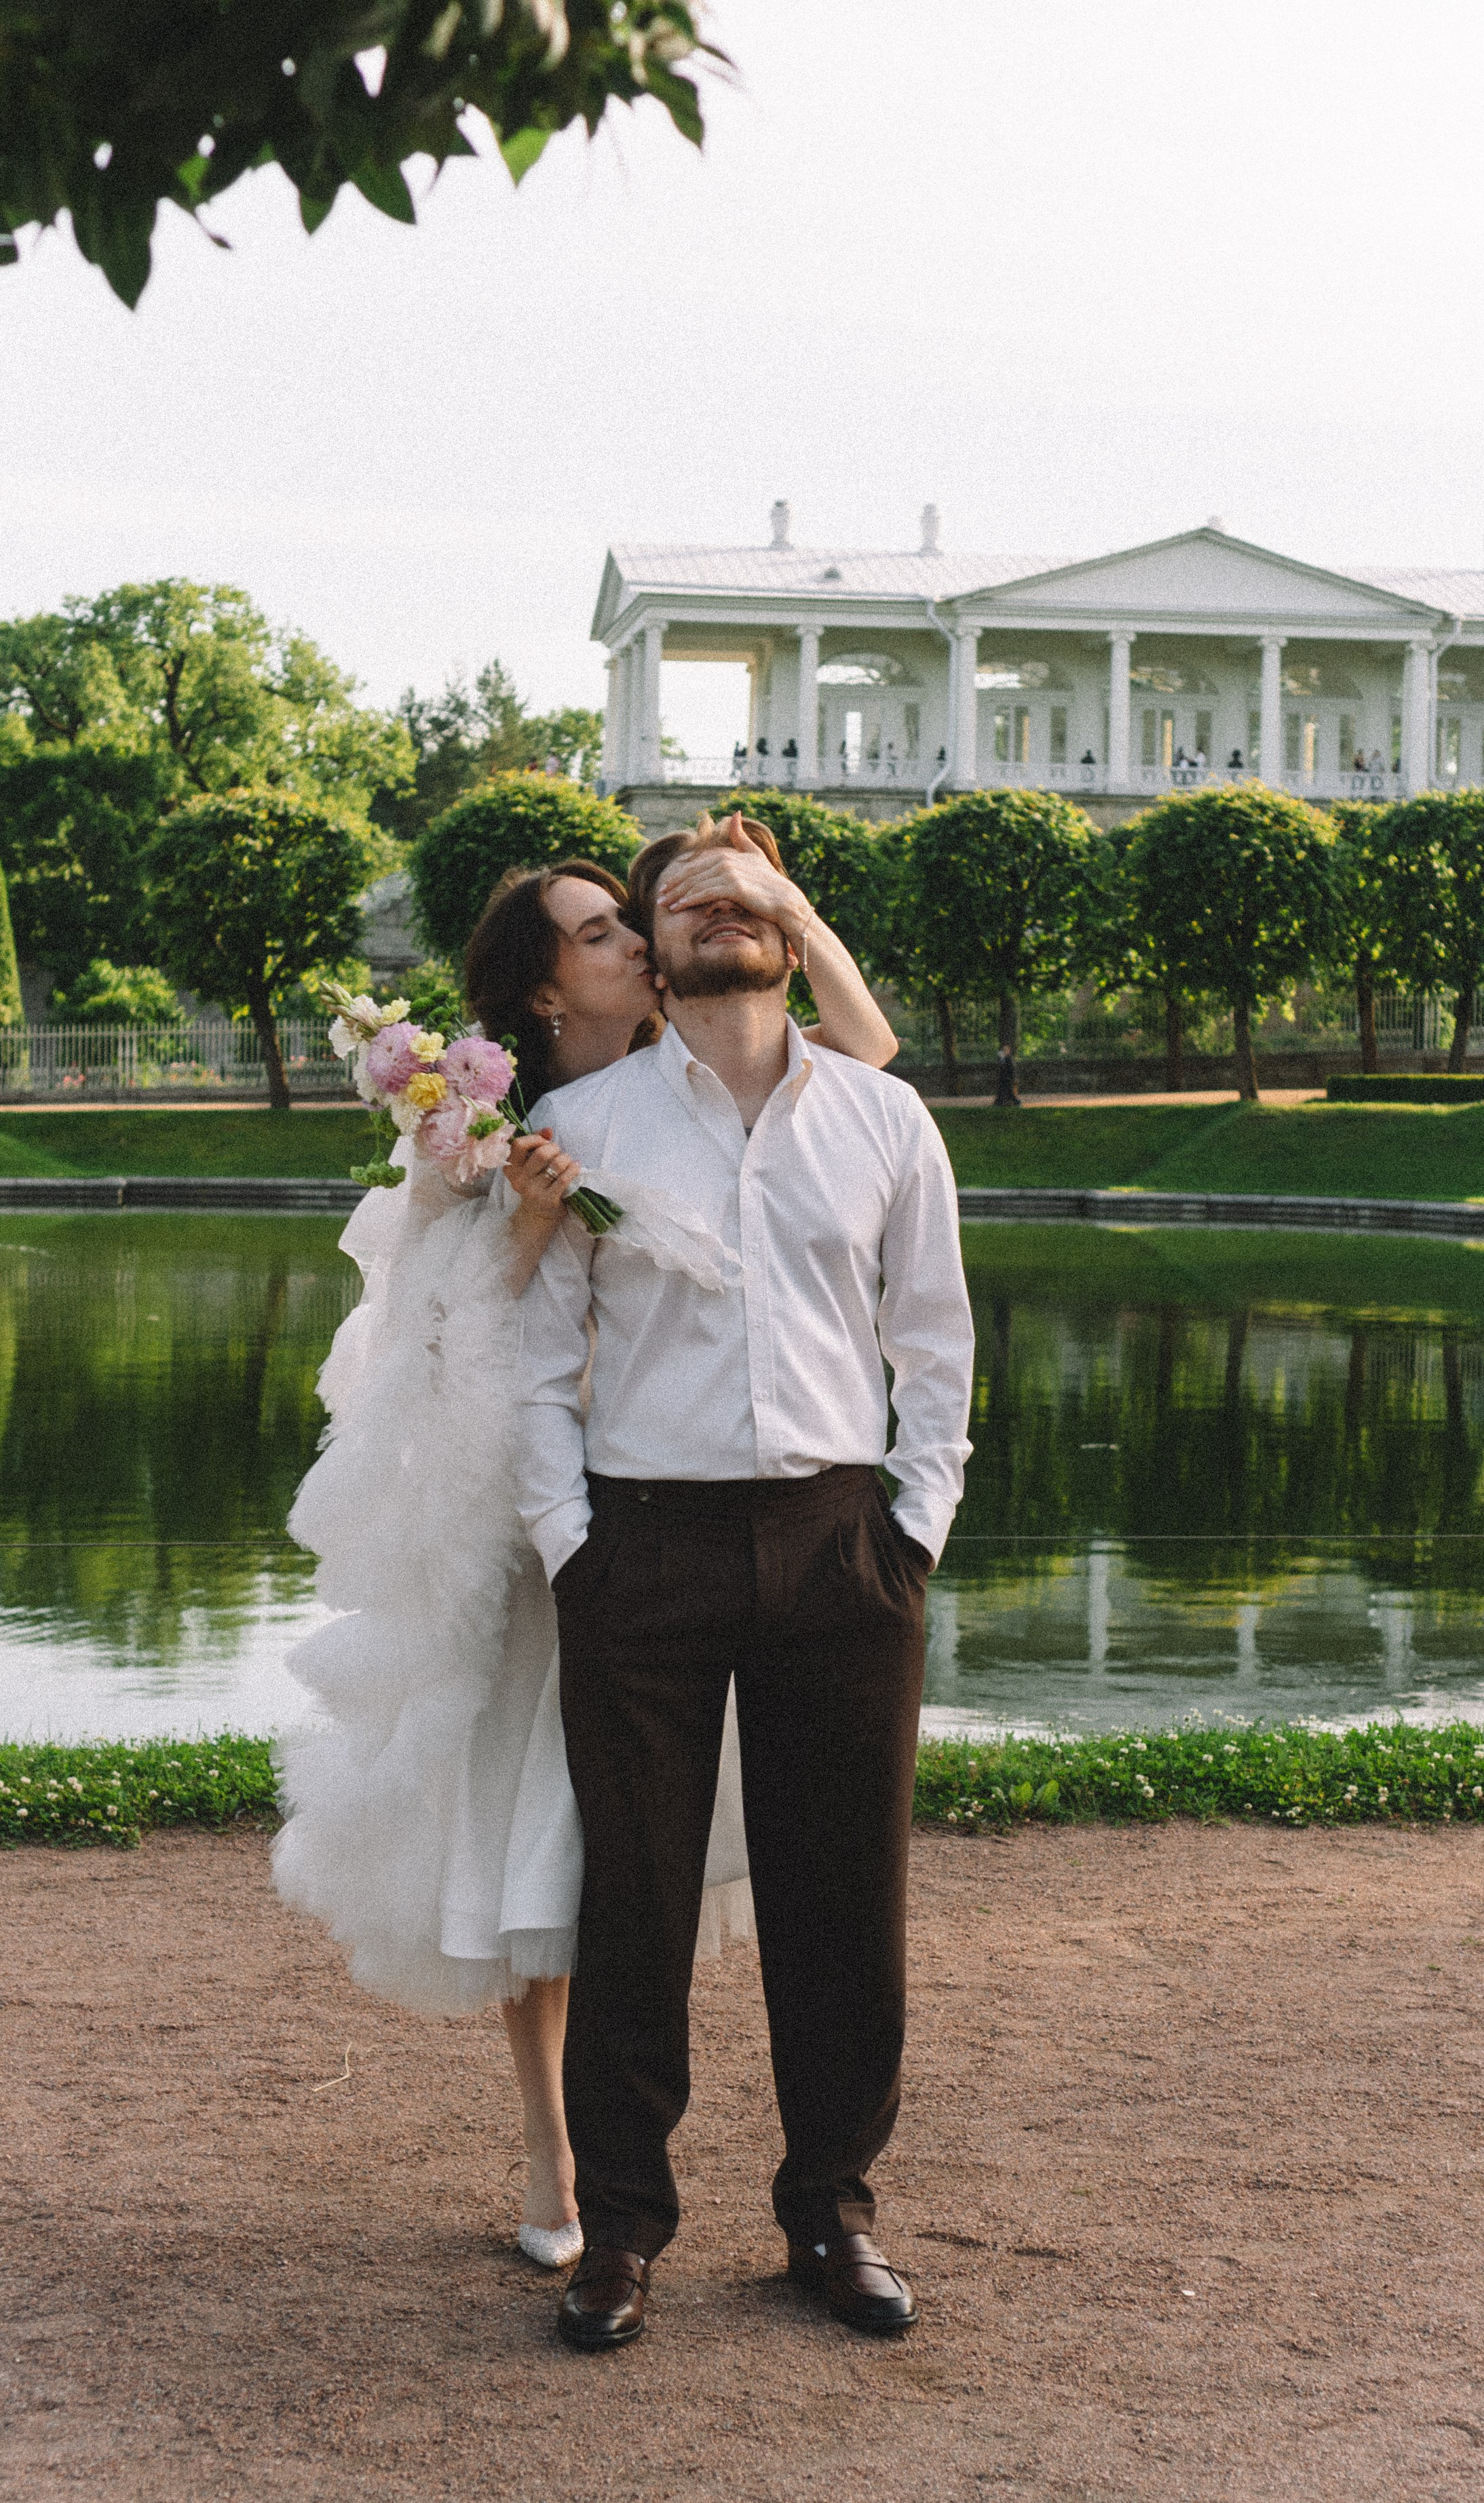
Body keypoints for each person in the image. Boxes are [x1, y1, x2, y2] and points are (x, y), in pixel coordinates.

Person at [273, 818, 899, 2276]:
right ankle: (564, 2154)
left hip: (692, 1511)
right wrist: (527, 1228)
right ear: (547, 995)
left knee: (648, 1850)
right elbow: (436, 1342)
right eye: (598, 931)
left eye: (631, 921)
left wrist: (787, 900)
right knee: (538, 1838)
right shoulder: (477, 1139)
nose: (632, 937)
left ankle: (701, 2171)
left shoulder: (710, 1074)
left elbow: (868, 1060)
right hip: (552, 1528)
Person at [516, 814, 974, 2351]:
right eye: (690, 899)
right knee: (632, 1895)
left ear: (790, 924)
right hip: (640, 1545)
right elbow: (534, 1358)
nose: (724, 912)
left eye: (750, 892)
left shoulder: (885, 1120)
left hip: (845, 1545)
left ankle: (832, 2212)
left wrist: (913, 1528)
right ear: (656, 946)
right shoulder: (592, 1119)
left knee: (846, 1894)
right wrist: (571, 1540)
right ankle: (622, 2230)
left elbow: (938, 1343)